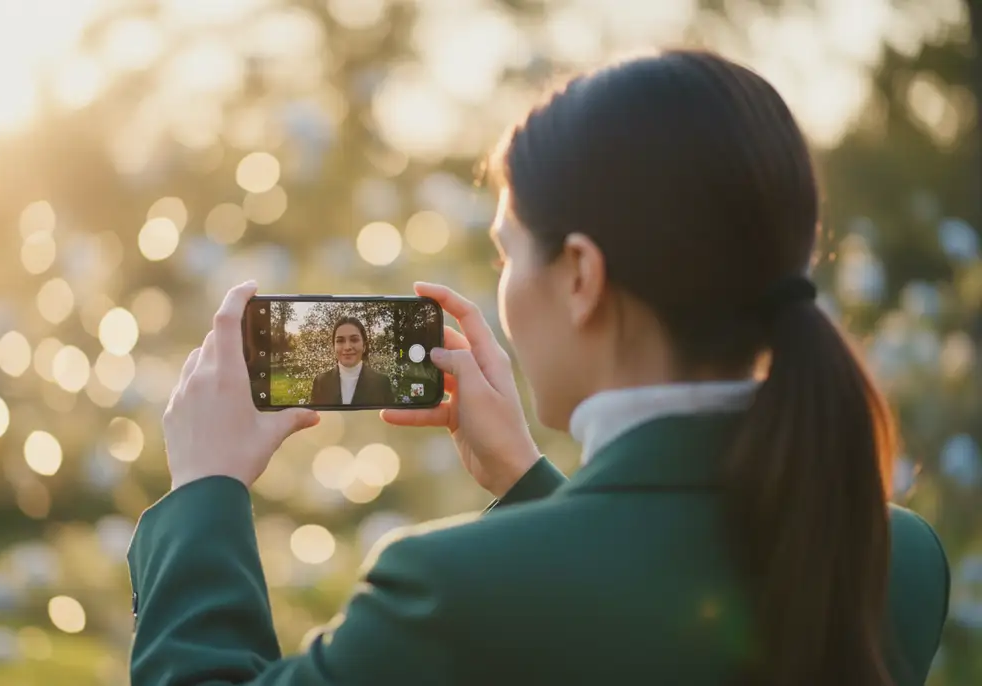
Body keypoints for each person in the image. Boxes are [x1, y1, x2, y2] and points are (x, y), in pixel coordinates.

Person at [127, 50, 950, 686]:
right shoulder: (896, 560)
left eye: (505, 253)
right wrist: (526, 485)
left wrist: (205, 493)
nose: (503, 291)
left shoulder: (450, 593)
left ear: (582, 276)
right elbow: (640, 610)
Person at [308, 316, 395, 406]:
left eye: (354, 340)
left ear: (364, 346)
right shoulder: (321, 382)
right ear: (333, 347)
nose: (347, 347)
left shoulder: (381, 382)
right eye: (340, 341)